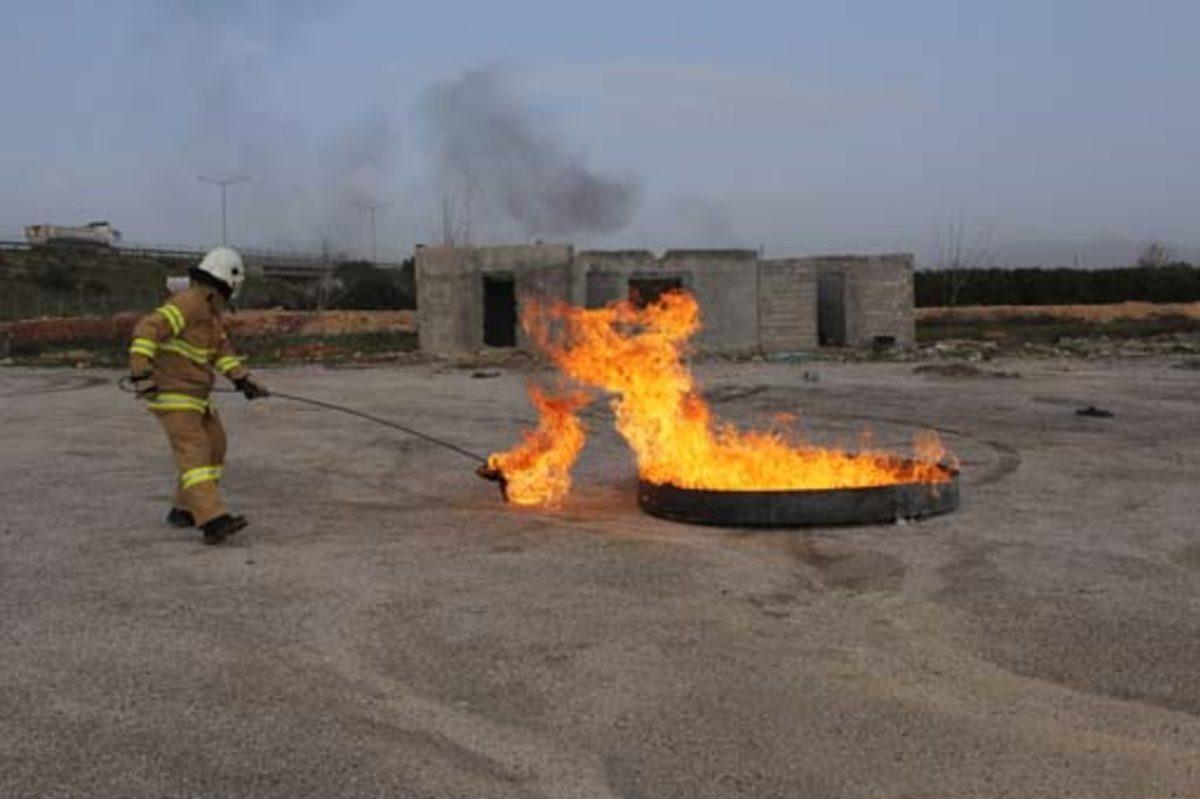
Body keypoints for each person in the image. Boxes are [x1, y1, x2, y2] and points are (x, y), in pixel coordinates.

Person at [127, 246, 269, 545]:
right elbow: (147, 329)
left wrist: (244, 381)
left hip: (196, 397)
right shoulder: (189, 303)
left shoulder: (211, 315)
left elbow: (222, 354)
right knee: (195, 450)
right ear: (223, 284)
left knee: (216, 445)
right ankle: (212, 519)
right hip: (172, 394)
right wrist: (141, 373)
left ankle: (184, 510)